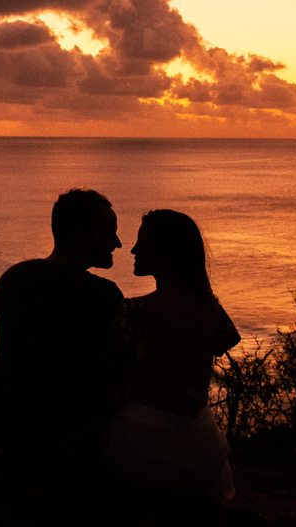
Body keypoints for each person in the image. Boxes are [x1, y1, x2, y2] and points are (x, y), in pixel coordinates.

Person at [101, 209, 241, 500]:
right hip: (202, 440)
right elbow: (227, 339)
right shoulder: (211, 308)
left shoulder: (135, 311)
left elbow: (111, 378)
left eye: (142, 242)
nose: (133, 249)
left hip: (143, 438)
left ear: (166, 252)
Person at [0, 188, 125, 468]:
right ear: (82, 236)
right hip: (63, 431)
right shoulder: (104, 296)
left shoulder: (14, 277)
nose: (117, 243)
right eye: (109, 233)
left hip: (2, 420)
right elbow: (112, 372)